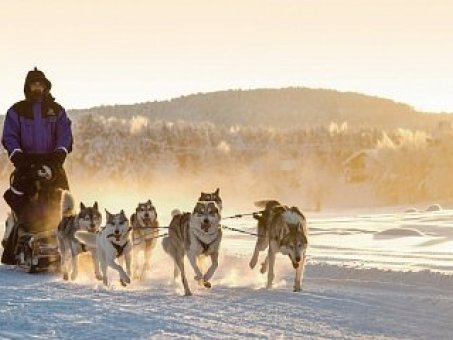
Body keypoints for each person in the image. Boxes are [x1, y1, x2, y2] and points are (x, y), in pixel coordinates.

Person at [1, 67, 73, 264]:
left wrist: (58, 157)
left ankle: (66, 240)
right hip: (25, 163)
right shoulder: (16, 111)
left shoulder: (57, 111)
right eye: (34, 84)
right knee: (24, 203)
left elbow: (65, 135)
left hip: (53, 162)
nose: (37, 87)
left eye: (40, 84)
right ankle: (22, 238)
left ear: (46, 87)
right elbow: (10, 136)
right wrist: (19, 158)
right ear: (27, 87)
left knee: (61, 202)